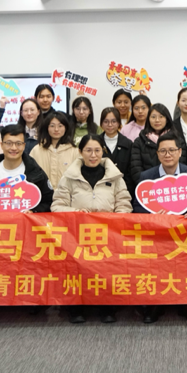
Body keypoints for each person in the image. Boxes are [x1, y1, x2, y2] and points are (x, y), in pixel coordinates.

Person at [52, 134, 132, 324]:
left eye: (97, 150)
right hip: (77, 234)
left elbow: (124, 203)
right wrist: (75, 212)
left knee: (107, 270)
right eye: (88, 150)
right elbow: (57, 205)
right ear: (80, 152)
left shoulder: (115, 177)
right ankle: (76, 308)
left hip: (108, 234)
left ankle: (107, 308)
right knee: (77, 271)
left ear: (103, 151)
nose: (93, 155)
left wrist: (115, 219)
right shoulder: (69, 177)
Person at [134, 133, 187, 324]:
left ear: (180, 152)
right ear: (157, 154)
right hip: (157, 234)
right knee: (156, 268)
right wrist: (153, 216)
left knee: (186, 267)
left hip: (186, 234)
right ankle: (155, 306)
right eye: (163, 151)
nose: (168, 155)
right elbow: (137, 207)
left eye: (172, 150)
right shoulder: (146, 177)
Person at [0, 125, 53, 212]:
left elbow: (48, 202)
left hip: (24, 221)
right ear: (1, 145)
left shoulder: (36, 173)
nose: (13, 148)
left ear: (24, 146)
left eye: (18, 144)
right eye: (8, 143)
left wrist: (34, 211)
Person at [30, 112, 80, 189]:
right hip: (42, 194)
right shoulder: (36, 150)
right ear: (46, 127)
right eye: (52, 126)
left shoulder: (75, 151)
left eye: (60, 126)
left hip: (67, 194)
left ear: (66, 128)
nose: (56, 129)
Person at [130, 103, 175, 185]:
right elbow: (136, 169)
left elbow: (182, 165)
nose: (157, 120)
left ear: (167, 119)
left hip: (172, 187)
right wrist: (148, 185)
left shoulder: (177, 140)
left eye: (161, 116)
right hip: (147, 187)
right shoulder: (139, 142)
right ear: (148, 119)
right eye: (153, 117)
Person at [99, 107, 133, 189]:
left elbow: (131, 171)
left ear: (119, 123)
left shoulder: (128, 144)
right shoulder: (96, 143)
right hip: (100, 188)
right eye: (106, 121)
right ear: (101, 123)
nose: (110, 125)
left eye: (113, 121)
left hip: (123, 188)